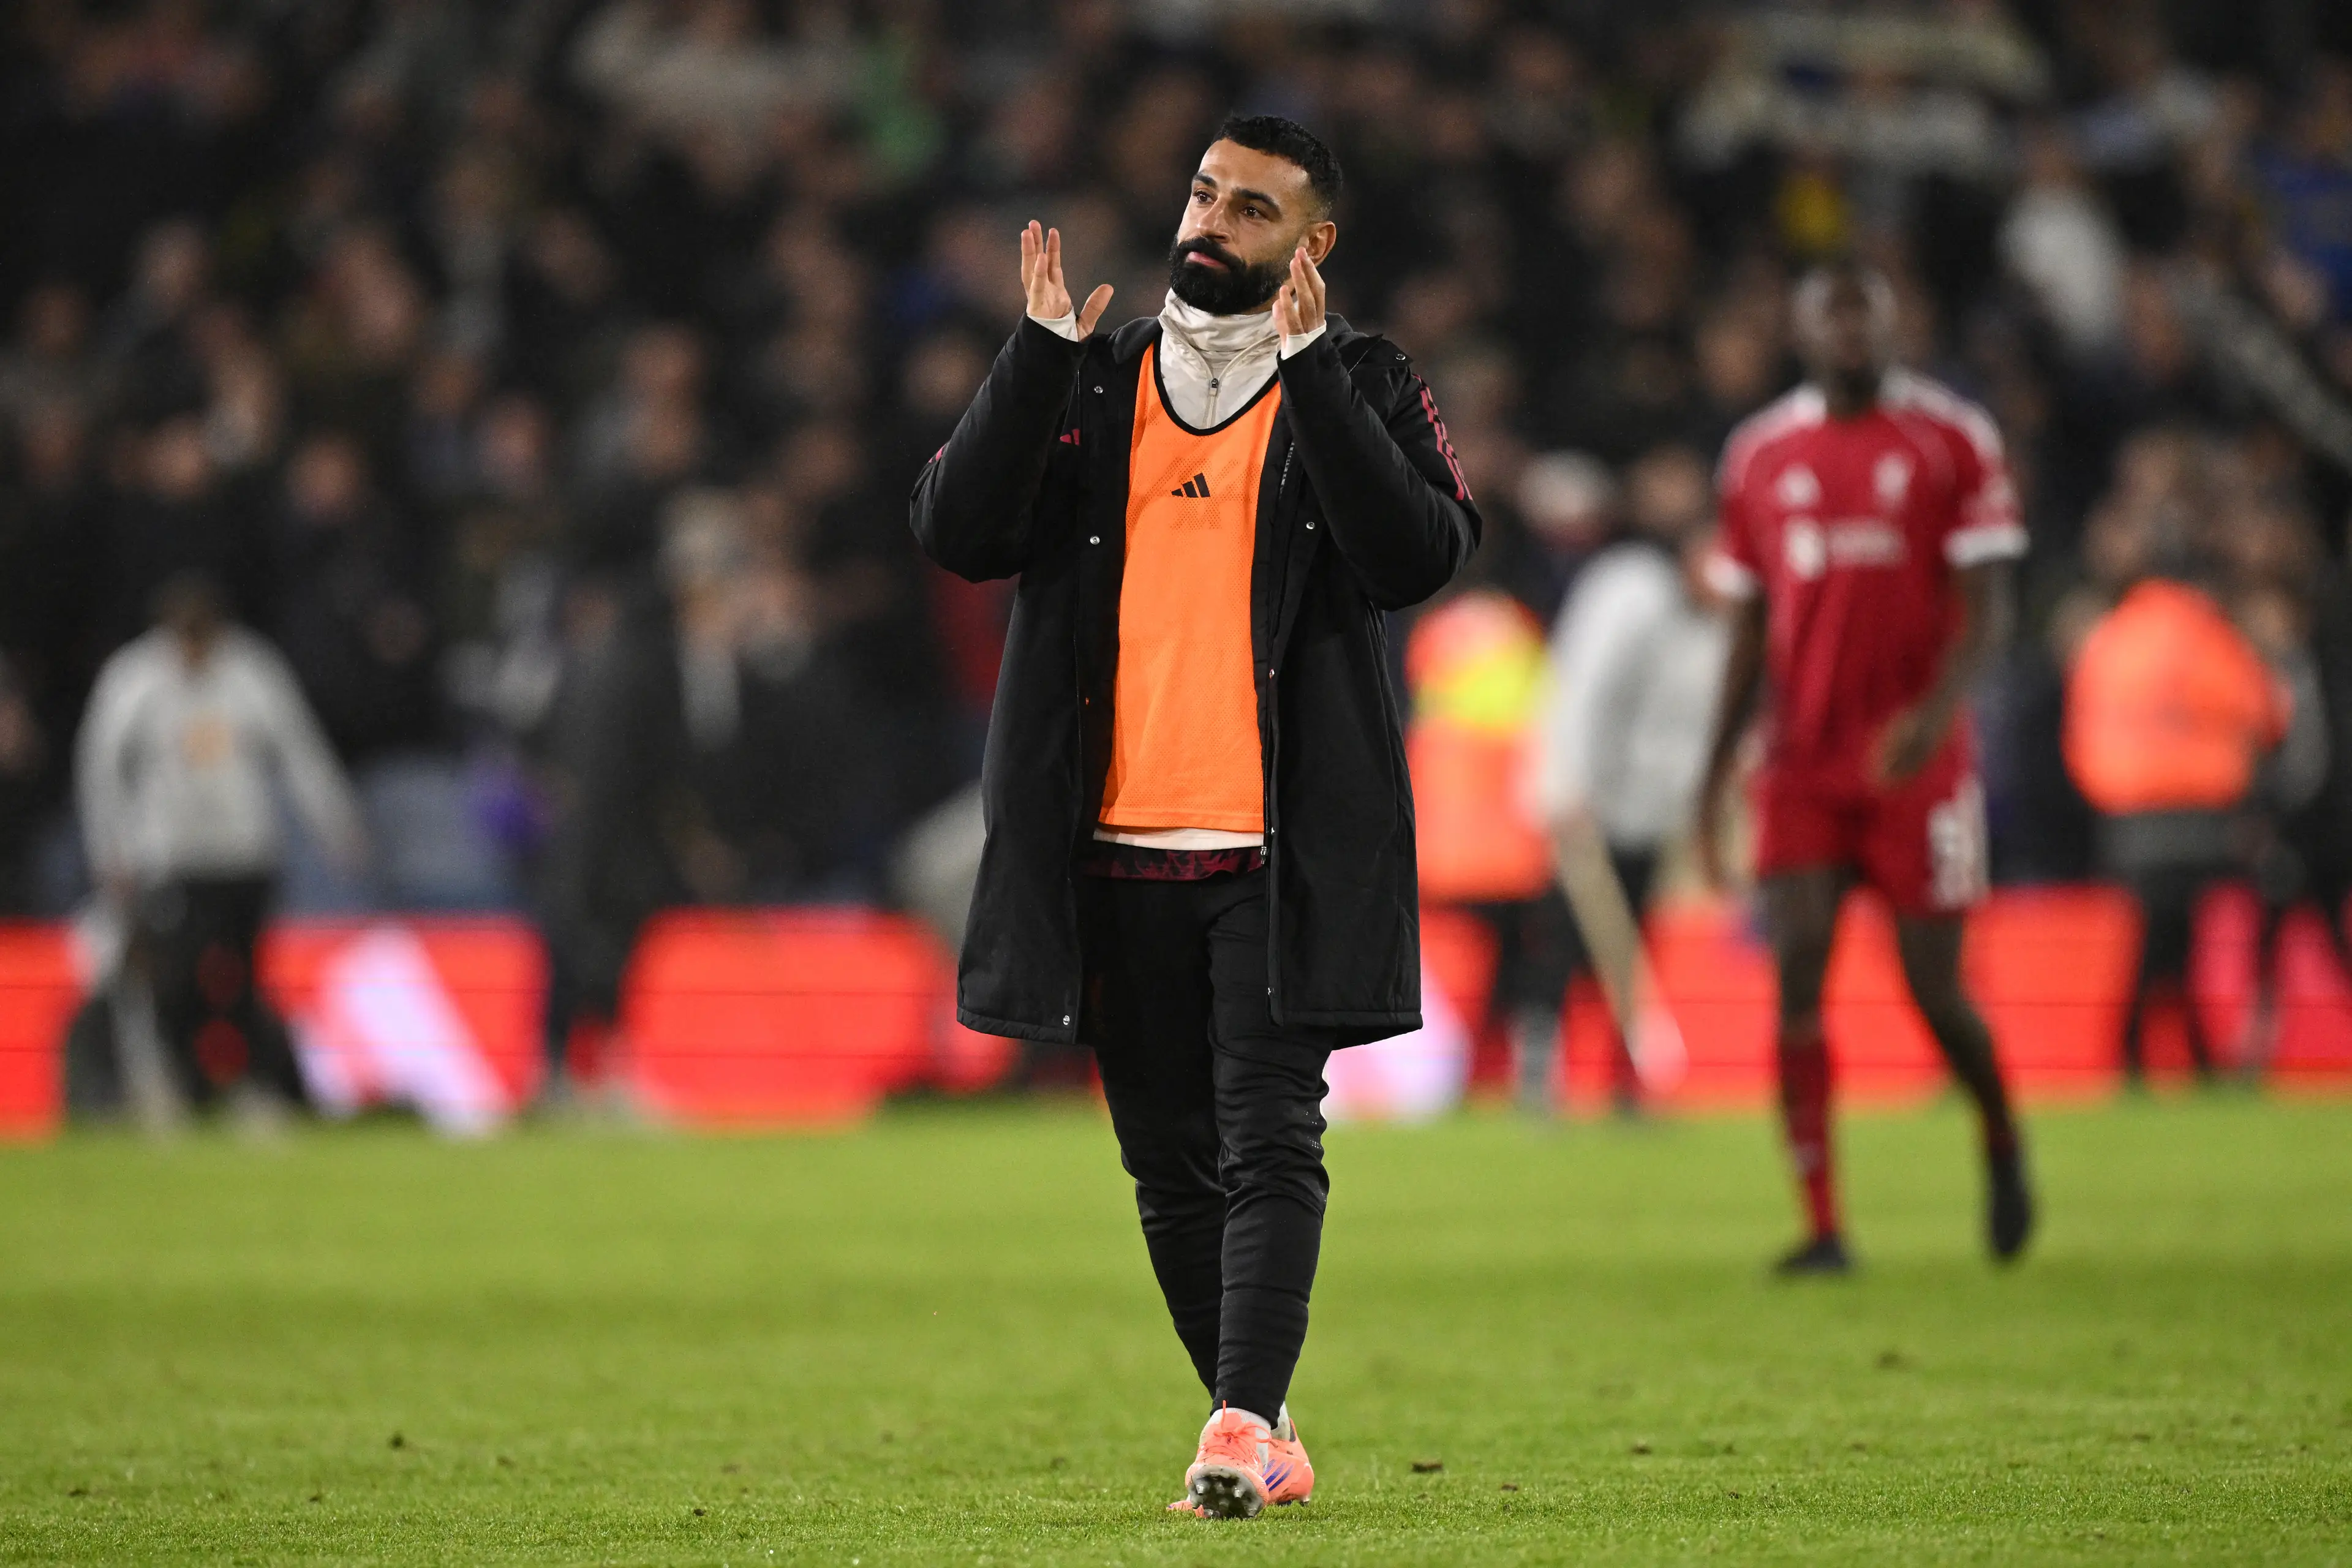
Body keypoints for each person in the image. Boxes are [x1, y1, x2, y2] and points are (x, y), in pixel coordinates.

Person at [910, 115, 1477, 1517]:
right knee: (1164, 1159)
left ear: (1310, 245)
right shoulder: (1088, 379)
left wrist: (1309, 373)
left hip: (1279, 844)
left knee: (1272, 1128)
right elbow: (953, 528)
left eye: (1251, 205)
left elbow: (1420, 551)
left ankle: (1229, 1421)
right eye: (1205, 192)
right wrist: (1028, 354)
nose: (1211, 219)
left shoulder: (1363, 378)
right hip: (1105, 848)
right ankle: (1262, 1419)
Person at [1694, 262, 2035, 1275]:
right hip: (1800, 761)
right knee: (1796, 972)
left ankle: (2003, 1140)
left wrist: (1935, 720)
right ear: (1800, 331)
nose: (1850, 332)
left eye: (1867, 315)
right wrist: (1713, 773)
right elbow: (1749, 628)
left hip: (1912, 762)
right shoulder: (1759, 455)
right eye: (1831, 314)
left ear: (1896, 328)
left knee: (1936, 991)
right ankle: (1824, 1224)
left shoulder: (1953, 440)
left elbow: (1989, 609)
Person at [74, 572, 368, 1115]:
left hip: (243, 852)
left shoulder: (252, 671)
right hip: (171, 856)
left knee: (244, 973)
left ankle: (250, 1085)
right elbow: (101, 771)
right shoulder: (134, 679)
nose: (195, 652)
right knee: (173, 977)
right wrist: (109, 850)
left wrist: (337, 825)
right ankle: (176, 1081)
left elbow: (300, 752)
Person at [1531, 465, 1730, 1112]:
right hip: (1593, 807)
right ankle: (1541, 1077)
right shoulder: (1632, 593)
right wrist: (1567, 785)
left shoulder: (1720, 629)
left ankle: (1624, 1083)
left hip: (1651, 814)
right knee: (1568, 944)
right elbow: (1586, 692)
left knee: (1631, 949)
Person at [2063, 562, 2288, 1085]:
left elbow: (2082, 724)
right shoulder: (2212, 634)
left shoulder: (2113, 637)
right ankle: (2162, 1049)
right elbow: (2262, 712)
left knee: (2162, 934)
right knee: (2172, 935)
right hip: (2201, 813)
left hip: (2131, 815)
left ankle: (2157, 1050)